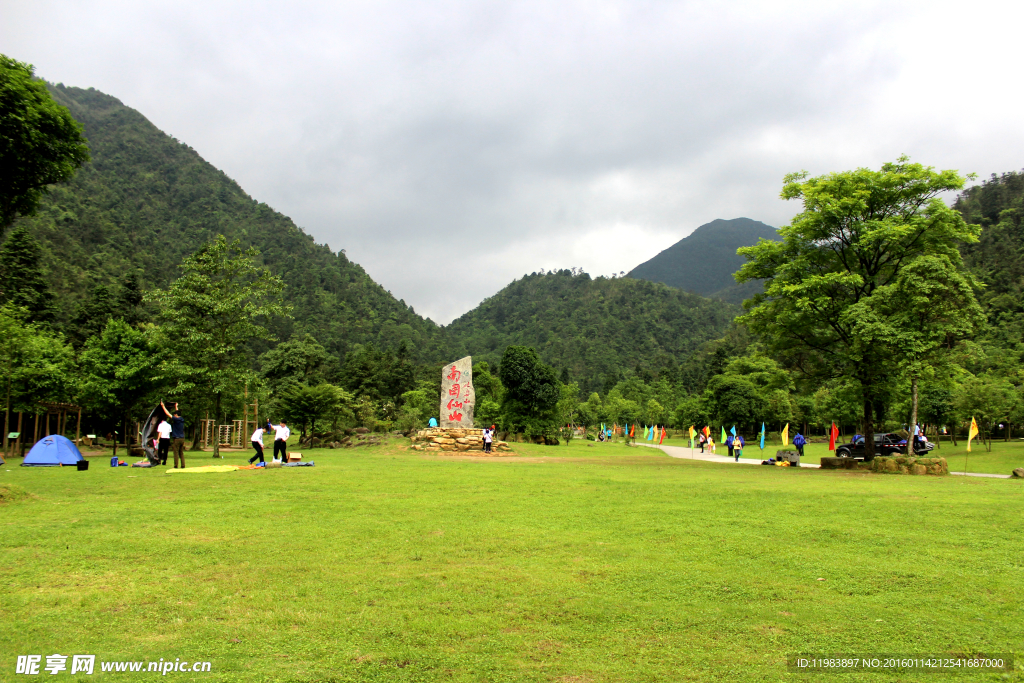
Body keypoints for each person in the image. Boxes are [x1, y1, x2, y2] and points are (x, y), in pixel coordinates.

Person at [161, 402, 186, 469]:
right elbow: (177, 412)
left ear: (176, 415)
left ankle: (175, 466)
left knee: (175, 452)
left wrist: (163, 406)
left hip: (177, 439)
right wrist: (176, 406)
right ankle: (183, 465)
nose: (174, 416)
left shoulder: (176, 419)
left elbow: (167, 414)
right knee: (181, 453)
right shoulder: (181, 419)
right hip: (182, 438)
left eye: (174, 415)